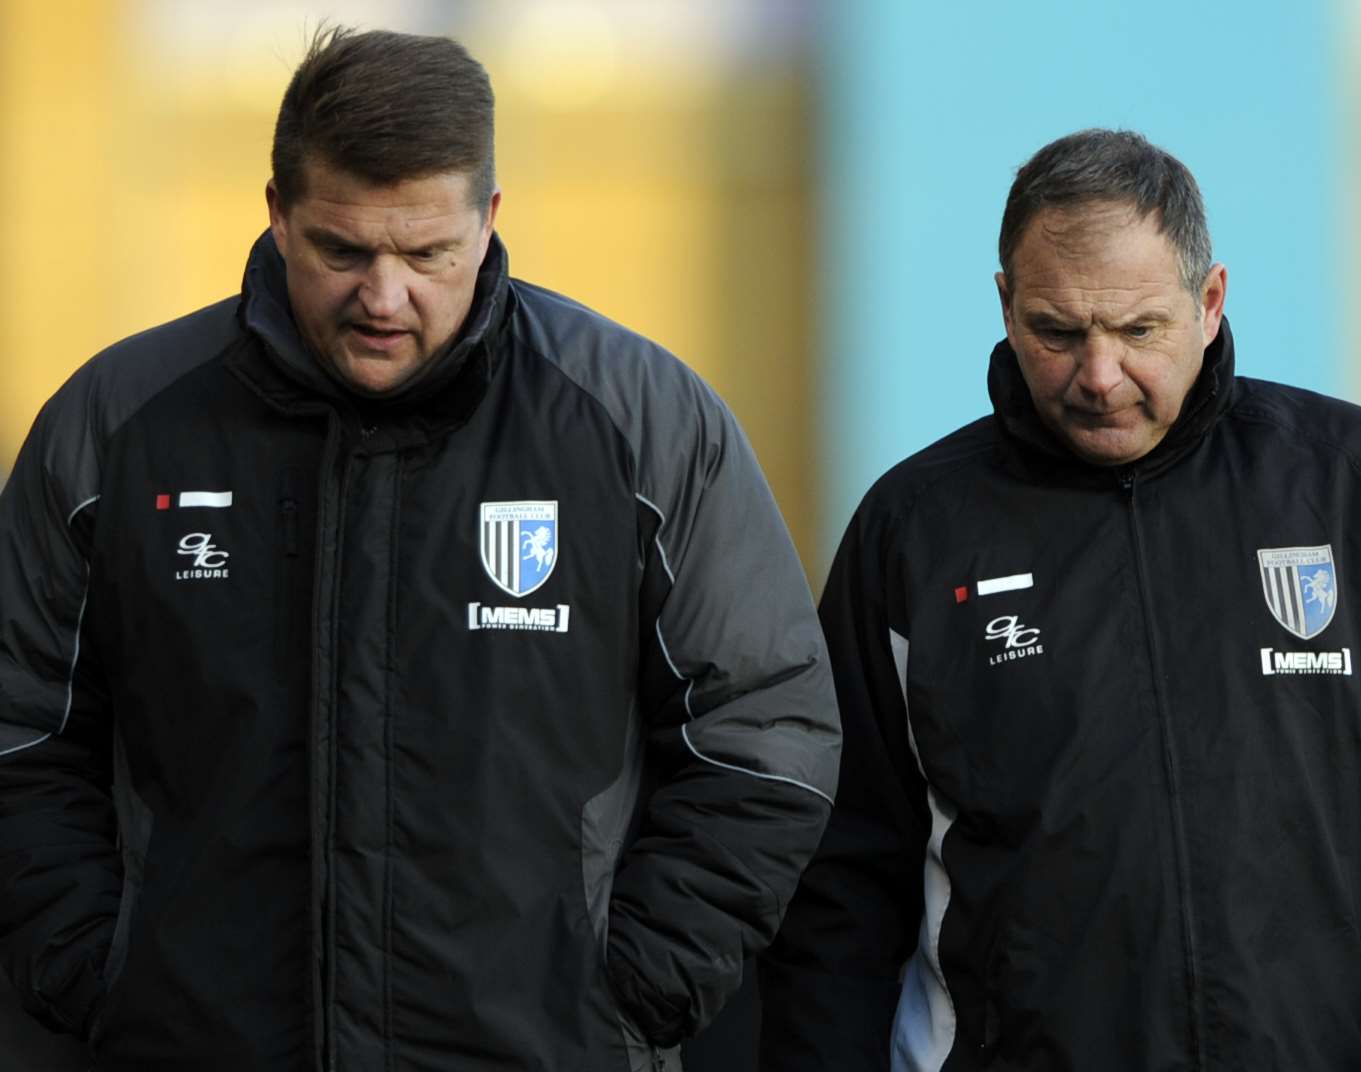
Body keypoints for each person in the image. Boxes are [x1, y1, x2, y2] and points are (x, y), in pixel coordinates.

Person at [0, 27, 839, 1071]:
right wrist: (102, 970)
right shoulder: (118, 427)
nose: (383, 298)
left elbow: (763, 725)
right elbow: (20, 725)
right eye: (341, 250)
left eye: (428, 253)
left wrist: (631, 989)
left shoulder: (640, 425)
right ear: (275, 212)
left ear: (489, 219)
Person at [759, 128, 1361, 1069]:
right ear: (1005, 306)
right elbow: (841, 880)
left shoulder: (1353, 483)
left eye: (1139, 331)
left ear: (1208, 303)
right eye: (1057, 331)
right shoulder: (914, 530)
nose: (1098, 376)